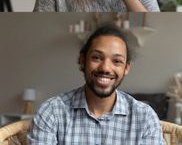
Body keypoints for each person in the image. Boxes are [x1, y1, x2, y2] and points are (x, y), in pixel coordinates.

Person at [28, 25, 165, 145]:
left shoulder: (145, 117)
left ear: (126, 68)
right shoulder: (52, 112)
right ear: (82, 60)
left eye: (116, 61)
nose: (105, 68)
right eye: (96, 57)